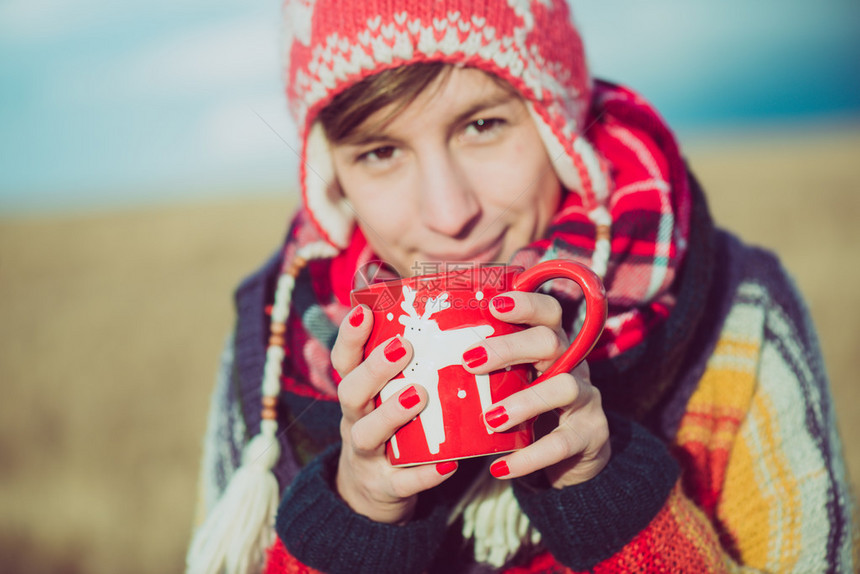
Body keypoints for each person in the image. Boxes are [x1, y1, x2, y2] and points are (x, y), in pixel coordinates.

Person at [186, 1, 857, 573]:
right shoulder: (279, 342)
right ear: (332, 178)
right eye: (380, 152)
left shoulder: (735, 313)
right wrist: (355, 516)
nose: (450, 214)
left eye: (483, 125)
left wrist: (605, 495)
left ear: (560, 127)